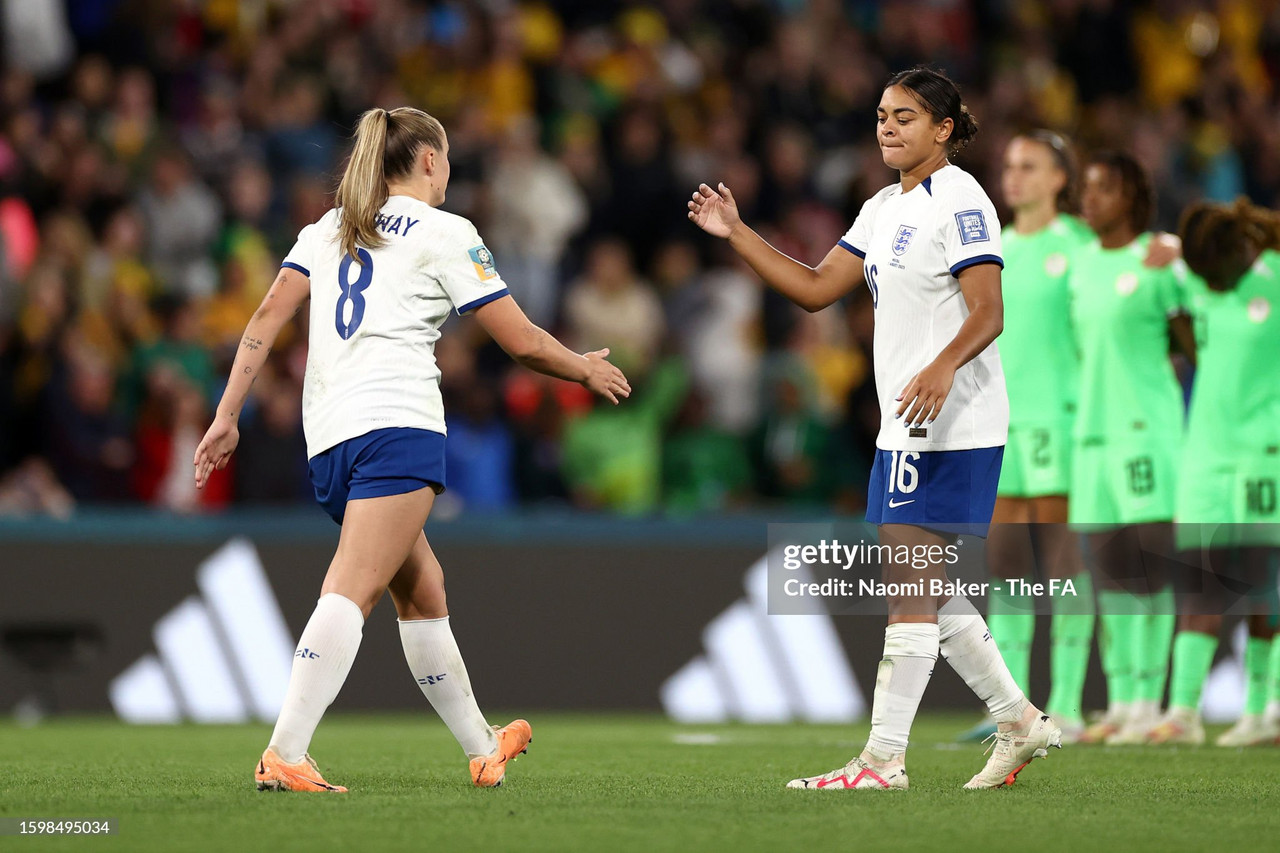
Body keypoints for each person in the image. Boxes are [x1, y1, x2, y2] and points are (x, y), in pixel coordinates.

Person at [193, 107, 630, 792]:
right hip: (397, 427)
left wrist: (226, 414)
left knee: (423, 592)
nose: (450, 170)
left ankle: (483, 748)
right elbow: (517, 340)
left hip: (330, 438)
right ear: (428, 160)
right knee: (351, 587)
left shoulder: (329, 226)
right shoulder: (447, 233)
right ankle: (285, 749)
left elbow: (266, 315)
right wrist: (583, 366)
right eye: (448, 157)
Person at [690, 67, 1060, 791]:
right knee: (922, 580)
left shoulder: (962, 200)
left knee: (908, 589)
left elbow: (990, 310)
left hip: (950, 416)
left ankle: (884, 759)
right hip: (907, 418)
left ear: (944, 128)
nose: (888, 128)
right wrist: (736, 232)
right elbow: (815, 290)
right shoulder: (882, 207)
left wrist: (944, 366)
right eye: (883, 116)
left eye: (906, 117)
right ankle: (1017, 719)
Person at [963, 132, 1095, 745]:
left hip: (1062, 423)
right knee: (1009, 568)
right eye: (1009, 165)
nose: (1013, 177)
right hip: (1000, 425)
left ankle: (1065, 702)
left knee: (1064, 564)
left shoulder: (1081, 247)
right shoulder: (997, 248)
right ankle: (1010, 710)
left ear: (1060, 179)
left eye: (1029, 167)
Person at [1069, 152, 1196, 745]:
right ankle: (1121, 702)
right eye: (1086, 188)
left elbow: (1197, 339)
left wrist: (1184, 254)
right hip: (1090, 432)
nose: (1089, 198)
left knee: (1151, 571)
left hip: (1146, 429)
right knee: (1111, 574)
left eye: (1103, 188)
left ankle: (1150, 700)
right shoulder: (1081, 264)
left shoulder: (1160, 261)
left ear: (1134, 197)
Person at [1147, 199, 1280, 746]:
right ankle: (1182, 715)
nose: (1210, 282)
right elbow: (1170, 256)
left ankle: (1260, 712)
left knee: (1262, 585)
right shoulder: (1199, 272)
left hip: (1262, 453)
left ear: (1240, 252)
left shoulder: (1273, 277)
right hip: (1203, 452)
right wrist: (1170, 249)